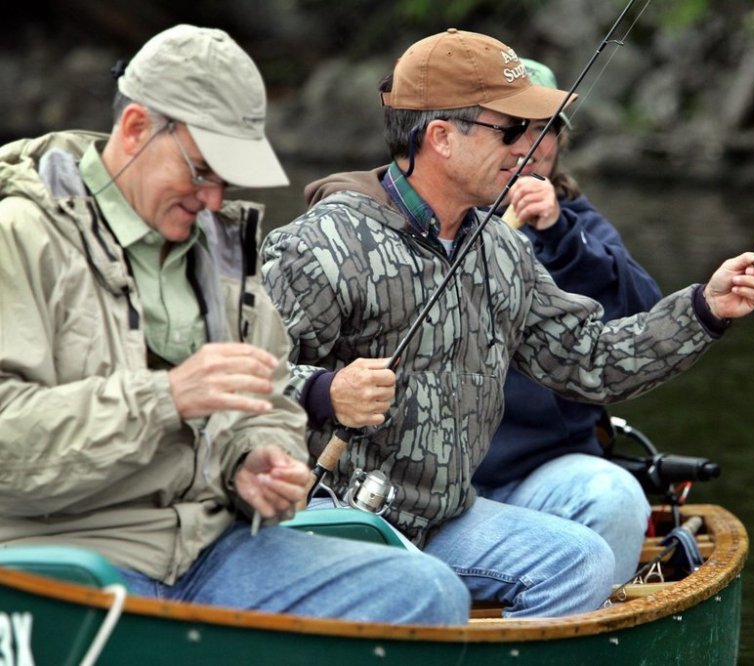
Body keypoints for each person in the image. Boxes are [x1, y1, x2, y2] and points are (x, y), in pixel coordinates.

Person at [261, 29, 754, 618]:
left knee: (582, 561)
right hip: (330, 518)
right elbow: (237, 380)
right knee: (419, 589)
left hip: (444, 519)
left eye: (534, 129)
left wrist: (705, 309)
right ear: (441, 138)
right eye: (510, 130)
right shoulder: (323, 244)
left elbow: (591, 360)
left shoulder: (501, 251)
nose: (527, 148)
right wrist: (326, 391)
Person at [0, 24, 469, 626]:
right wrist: (167, 398)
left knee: (429, 591)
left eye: (227, 181)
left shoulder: (221, 250)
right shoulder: (19, 235)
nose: (215, 201)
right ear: (136, 128)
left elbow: (269, 404)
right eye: (202, 171)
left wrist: (255, 461)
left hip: (209, 548)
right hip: (63, 557)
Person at [471, 58, 661, 585]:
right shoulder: (440, 215)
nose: (531, 143)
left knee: (615, 497)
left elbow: (645, 316)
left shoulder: (578, 223)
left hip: (542, 470)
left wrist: (559, 235)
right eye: (514, 126)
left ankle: (590, 619)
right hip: (433, 477)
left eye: (546, 128)